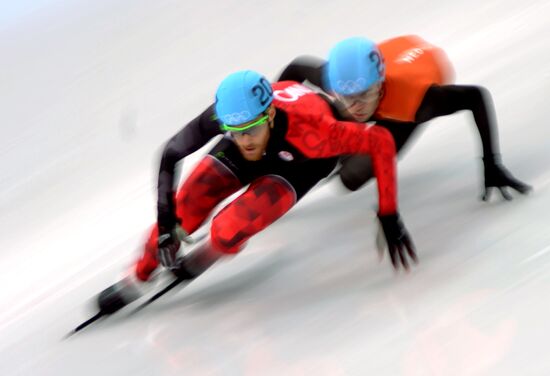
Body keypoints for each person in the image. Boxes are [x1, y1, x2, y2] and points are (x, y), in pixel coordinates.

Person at [96, 70, 417, 315]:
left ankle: (212, 253)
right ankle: (138, 274)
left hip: (301, 162)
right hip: (264, 145)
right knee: (184, 211)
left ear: (271, 114)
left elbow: (381, 143)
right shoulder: (231, 118)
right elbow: (170, 153)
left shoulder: (319, 132)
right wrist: (167, 227)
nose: (244, 139)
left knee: (227, 229)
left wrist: (388, 214)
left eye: (250, 130)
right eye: (234, 132)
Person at [276, 35, 531, 200]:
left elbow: (476, 96)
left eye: (364, 94)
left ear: (380, 82)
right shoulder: (336, 81)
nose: (356, 106)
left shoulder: (420, 101)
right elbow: (297, 67)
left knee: (352, 179)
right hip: (395, 60)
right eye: (346, 96)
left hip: (405, 102)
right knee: (323, 141)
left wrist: (491, 162)